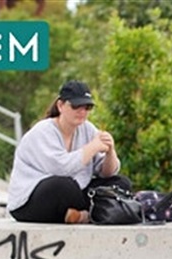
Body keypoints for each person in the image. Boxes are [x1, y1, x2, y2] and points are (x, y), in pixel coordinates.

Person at [7, 80, 131, 224]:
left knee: (121, 183)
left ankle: (79, 215)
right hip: (30, 202)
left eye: (87, 107)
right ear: (60, 105)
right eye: (76, 106)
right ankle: (90, 215)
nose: (82, 112)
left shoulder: (88, 129)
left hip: (72, 196)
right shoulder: (43, 131)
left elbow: (107, 173)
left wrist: (110, 151)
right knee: (64, 186)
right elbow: (61, 169)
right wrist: (92, 147)